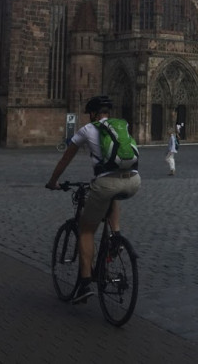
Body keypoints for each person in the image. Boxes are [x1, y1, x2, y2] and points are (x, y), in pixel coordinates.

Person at [46, 96, 141, 303]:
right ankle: (116, 237)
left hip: (106, 183)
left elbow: (65, 158)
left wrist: (53, 181)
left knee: (86, 230)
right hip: (134, 180)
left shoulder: (88, 130)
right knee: (112, 193)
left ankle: (85, 283)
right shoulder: (120, 126)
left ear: (92, 114)